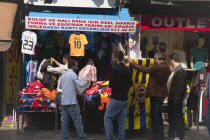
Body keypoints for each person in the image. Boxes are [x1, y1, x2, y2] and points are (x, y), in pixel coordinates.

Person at [128, 51, 170, 140]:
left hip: (156, 93)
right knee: (158, 114)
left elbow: (145, 70)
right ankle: (160, 134)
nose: (154, 61)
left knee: (155, 115)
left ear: (157, 59)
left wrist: (133, 63)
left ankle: (156, 136)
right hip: (162, 93)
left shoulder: (158, 67)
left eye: (155, 60)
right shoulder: (166, 66)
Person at [104, 51, 132, 140]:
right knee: (122, 121)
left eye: (113, 57)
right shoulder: (127, 69)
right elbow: (130, 83)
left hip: (116, 98)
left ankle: (109, 138)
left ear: (116, 58)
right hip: (125, 98)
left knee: (107, 118)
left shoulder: (115, 69)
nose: (112, 59)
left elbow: (111, 84)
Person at [59, 59, 88, 140]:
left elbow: (61, 87)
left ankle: (64, 138)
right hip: (72, 102)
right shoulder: (73, 74)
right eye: (76, 65)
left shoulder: (63, 75)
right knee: (77, 121)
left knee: (64, 122)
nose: (77, 67)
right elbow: (80, 84)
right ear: (72, 66)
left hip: (64, 102)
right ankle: (82, 137)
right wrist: (86, 81)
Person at [167, 53, 187, 140]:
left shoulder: (180, 71)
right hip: (172, 99)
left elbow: (180, 88)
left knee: (178, 117)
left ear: (172, 60)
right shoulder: (176, 70)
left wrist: (176, 100)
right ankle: (172, 134)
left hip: (176, 100)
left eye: (170, 60)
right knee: (173, 117)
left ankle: (180, 135)